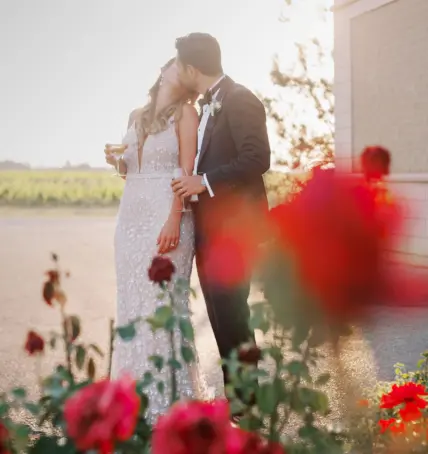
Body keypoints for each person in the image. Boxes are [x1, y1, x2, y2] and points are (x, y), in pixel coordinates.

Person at [171, 33, 271, 410]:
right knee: (221, 317)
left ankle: (248, 407)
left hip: (234, 232)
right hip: (211, 231)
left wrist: (205, 181)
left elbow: (257, 157)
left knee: (234, 317)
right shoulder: (211, 103)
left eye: (180, 65)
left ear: (191, 69)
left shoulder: (240, 98)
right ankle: (240, 404)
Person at [105, 57, 201, 423]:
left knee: (163, 302)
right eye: (177, 65)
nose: (181, 71)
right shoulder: (135, 115)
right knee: (131, 300)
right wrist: (117, 162)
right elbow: (129, 171)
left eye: (187, 69)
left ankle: (170, 401)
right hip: (130, 214)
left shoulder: (187, 115)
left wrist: (175, 216)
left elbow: (186, 170)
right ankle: (130, 396)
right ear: (164, 70)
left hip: (167, 213)